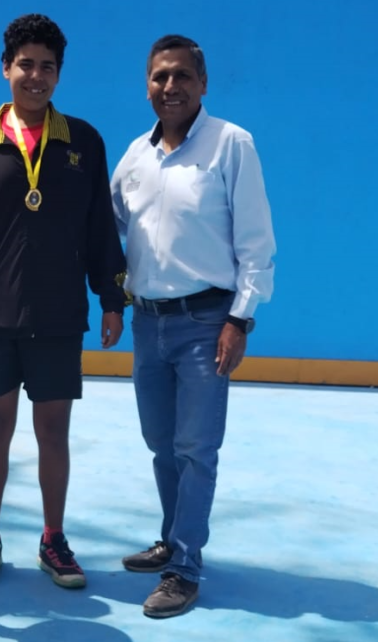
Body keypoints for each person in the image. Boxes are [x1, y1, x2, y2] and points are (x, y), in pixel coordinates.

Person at [0, 14, 128, 590]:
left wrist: (111, 298)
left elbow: (100, 232)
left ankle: (53, 538)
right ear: (6, 69)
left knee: (54, 433)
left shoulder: (83, 142)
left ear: (58, 75)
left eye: (47, 67)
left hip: (60, 315)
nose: (35, 76)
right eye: (26, 65)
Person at [110, 35, 276, 618]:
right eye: (159, 77)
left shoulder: (232, 145)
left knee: (196, 448)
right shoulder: (134, 157)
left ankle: (184, 567)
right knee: (161, 445)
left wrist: (240, 319)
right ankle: (170, 536)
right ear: (148, 84)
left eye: (182, 76)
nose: (170, 87)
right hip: (147, 324)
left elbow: (257, 245)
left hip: (207, 322)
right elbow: (107, 234)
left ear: (202, 83)